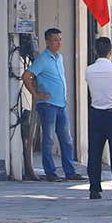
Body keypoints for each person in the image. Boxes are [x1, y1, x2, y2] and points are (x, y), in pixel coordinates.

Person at [22, 28, 85, 181]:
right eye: (55, 40)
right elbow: (27, 75)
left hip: (60, 104)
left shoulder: (59, 58)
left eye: (60, 40)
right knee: (49, 139)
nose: (59, 43)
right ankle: (50, 172)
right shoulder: (43, 59)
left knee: (66, 140)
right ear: (48, 42)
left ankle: (70, 172)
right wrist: (36, 94)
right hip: (48, 104)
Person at [84, 36, 112, 200]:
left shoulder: (89, 70)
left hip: (96, 113)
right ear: (110, 51)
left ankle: (94, 189)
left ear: (95, 51)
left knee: (94, 152)